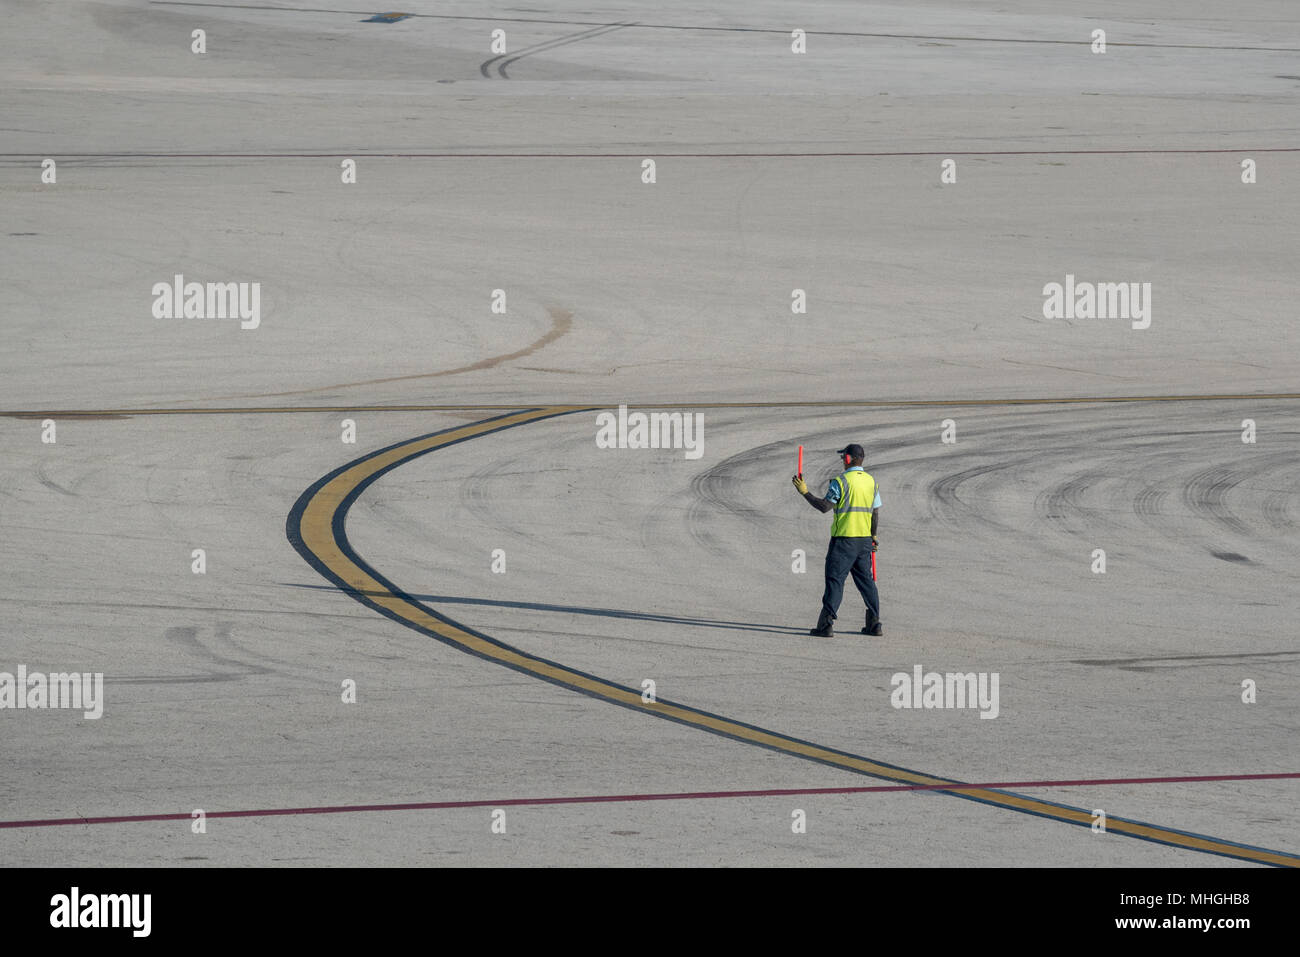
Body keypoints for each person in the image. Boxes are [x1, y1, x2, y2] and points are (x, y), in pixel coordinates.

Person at [792, 444, 882, 638]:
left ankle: (826, 624)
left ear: (849, 459)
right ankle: (874, 623)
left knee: (835, 581)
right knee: (867, 582)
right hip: (864, 541)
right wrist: (873, 537)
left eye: (843, 457)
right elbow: (875, 513)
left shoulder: (841, 482)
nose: (842, 461)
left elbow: (824, 507)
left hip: (844, 542)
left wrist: (804, 492)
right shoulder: (871, 482)